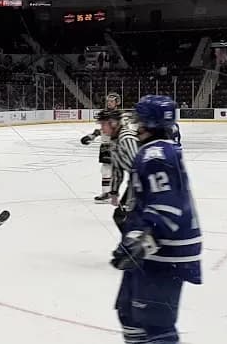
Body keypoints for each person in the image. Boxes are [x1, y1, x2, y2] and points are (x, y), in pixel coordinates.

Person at [111, 95, 201, 344]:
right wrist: (132, 237)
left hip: (165, 253)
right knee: (129, 313)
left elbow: (167, 205)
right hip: (156, 251)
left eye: (139, 120)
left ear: (149, 123)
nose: (136, 125)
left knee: (154, 323)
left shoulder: (156, 154)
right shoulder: (155, 150)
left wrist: (143, 242)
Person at [81, 92, 122, 203]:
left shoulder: (118, 115)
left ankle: (107, 193)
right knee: (107, 169)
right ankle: (109, 193)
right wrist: (92, 136)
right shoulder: (105, 113)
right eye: (108, 101)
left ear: (117, 102)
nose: (109, 103)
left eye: (112, 101)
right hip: (105, 145)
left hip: (113, 145)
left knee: (107, 169)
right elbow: (102, 130)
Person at [95, 109, 138, 207]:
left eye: (103, 124)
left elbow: (139, 169)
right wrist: (114, 192)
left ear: (113, 123)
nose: (102, 128)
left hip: (148, 186)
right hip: (137, 184)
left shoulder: (126, 138)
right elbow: (117, 169)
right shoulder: (114, 141)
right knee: (121, 213)